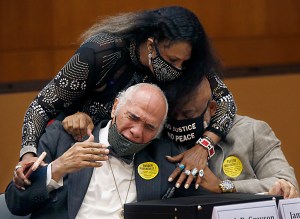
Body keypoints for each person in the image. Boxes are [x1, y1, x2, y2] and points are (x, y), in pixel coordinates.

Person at [14, 6, 237, 190]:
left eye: (184, 63)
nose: (179, 70)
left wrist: (202, 147)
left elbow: (226, 103)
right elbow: (41, 107)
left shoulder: (185, 62)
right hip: (86, 156)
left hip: (148, 161)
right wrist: (28, 154)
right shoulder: (100, 52)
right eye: (173, 60)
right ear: (151, 45)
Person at [6, 83, 176, 218]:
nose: (137, 132)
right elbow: (15, 202)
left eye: (149, 127)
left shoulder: (164, 156)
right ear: (115, 108)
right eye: (133, 117)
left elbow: (199, 202)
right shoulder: (63, 138)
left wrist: (203, 147)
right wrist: (58, 167)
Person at [164, 77, 299, 198]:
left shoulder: (250, 131)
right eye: (173, 115)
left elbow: (286, 184)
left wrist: (223, 186)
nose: (179, 121)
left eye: (188, 114)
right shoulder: (159, 134)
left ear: (211, 108)